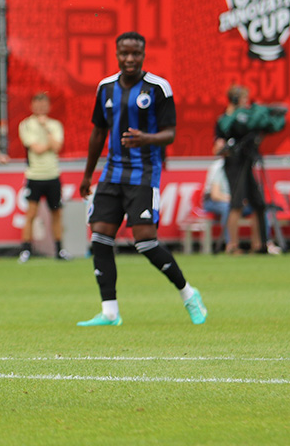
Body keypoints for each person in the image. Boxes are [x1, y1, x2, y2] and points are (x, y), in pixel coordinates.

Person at [78, 31, 206, 327]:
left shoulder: (158, 88)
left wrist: (146, 138)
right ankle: (110, 312)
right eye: (125, 53)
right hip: (112, 172)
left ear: (144, 54)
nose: (130, 59)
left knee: (145, 241)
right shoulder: (106, 88)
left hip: (144, 173)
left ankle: (188, 294)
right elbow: (98, 132)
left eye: (136, 53)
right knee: (99, 237)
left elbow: (170, 133)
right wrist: (88, 174)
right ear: (117, 54)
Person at [214, 84, 285, 255]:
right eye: (244, 98)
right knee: (236, 204)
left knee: (258, 203)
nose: (247, 102)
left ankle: (259, 245)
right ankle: (232, 246)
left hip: (248, 161)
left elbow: (262, 124)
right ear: (236, 99)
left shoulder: (249, 117)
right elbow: (217, 146)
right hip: (234, 163)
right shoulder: (225, 119)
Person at [17, 93, 67, 262]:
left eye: (43, 104)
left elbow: (58, 146)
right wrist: (49, 145)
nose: (40, 108)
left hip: (52, 175)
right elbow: (36, 149)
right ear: (32, 106)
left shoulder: (54, 125)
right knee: (31, 213)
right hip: (35, 176)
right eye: (37, 104)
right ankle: (26, 250)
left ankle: (59, 250)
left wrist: (46, 128)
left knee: (56, 213)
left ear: (48, 106)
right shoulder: (26, 125)